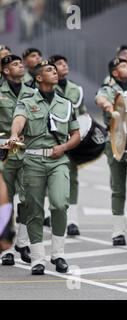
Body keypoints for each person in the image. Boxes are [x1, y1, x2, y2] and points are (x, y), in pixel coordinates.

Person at [9, 60, 81, 275]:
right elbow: (19, 119)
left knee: (59, 204)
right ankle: (38, 258)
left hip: (58, 160)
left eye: (55, 69)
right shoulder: (27, 101)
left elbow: (75, 133)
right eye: (49, 70)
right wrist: (14, 135)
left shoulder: (66, 103)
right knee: (33, 209)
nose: (55, 72)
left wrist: (64, 147)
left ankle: (58, 254)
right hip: (32, 160)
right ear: (38, 78)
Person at [95, 58, 127, 246]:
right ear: (115, 73)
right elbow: (99, 98)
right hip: (115, 143)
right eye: (123, 66)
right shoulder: (108, 88)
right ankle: (117, 231)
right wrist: (109, 106)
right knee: (118, 188)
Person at [0, 55, 34, 266]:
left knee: (30, 197)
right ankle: (7, 248)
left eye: (21, 63)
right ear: (5, 71)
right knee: (6, 201)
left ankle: (22, 241)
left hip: (27, 152)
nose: (21, 65)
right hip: (3, 153)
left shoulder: (31, 92)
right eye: (15, 64)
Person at [49, 55, 88, 236]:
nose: (64, 65)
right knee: (48, 180)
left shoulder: (76, 89)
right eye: (59, 63)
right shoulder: (45, 89)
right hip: (50, 141)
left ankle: (73, 220)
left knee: (72, 180)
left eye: (65, 62)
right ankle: (47, 215)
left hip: (70, 141)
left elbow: (82, 113)